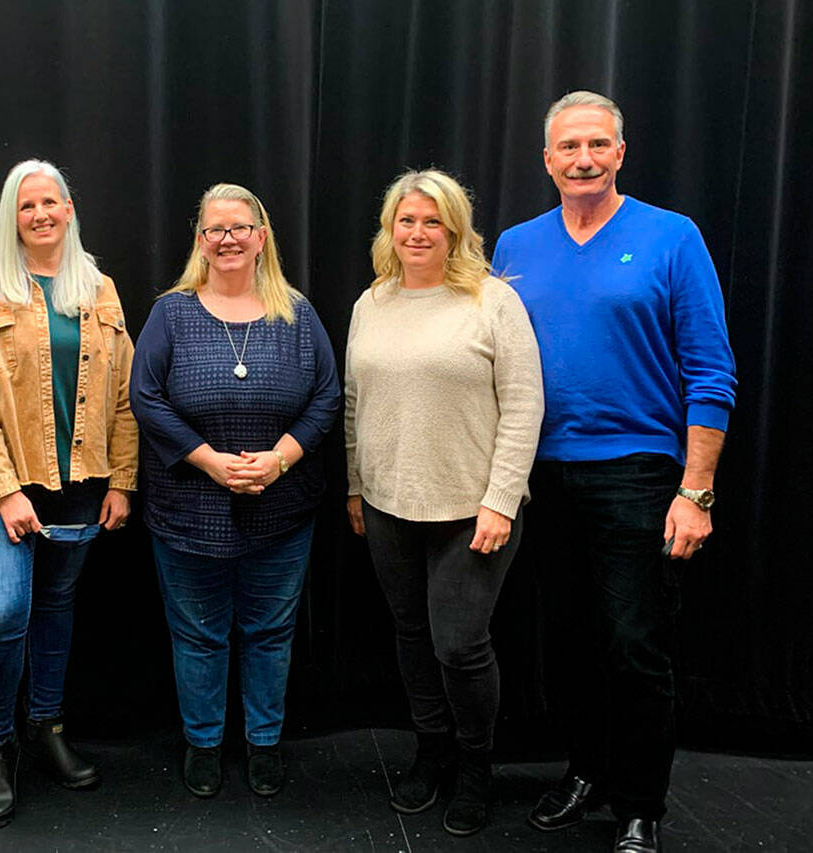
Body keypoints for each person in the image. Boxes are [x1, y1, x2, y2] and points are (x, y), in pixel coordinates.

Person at [492, 91, 737, 853]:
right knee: (564, 640)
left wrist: (695, 491)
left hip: (637, 471)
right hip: (540, 473)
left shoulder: (671, 236)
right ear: (547, 160)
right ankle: (585, 769)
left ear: (621, 152)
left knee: (634, 643)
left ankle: (640, 804)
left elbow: (711, 369)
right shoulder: (515, 246)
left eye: (598, 144)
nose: (584, 159)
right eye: (568, 148)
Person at [344, 169, 544, 836]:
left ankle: (476, 763)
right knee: (410, 633)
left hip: (473, 509)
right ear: (390, 229)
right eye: (408, 220)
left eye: (433, 221)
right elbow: (354, 405)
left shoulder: (492, 301)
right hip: (387, 504)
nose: (419, 231)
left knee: (459, 643)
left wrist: (502, 499)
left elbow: (523, 406)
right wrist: (354, 485)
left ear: (455, 229)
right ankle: (430, 750)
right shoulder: (372, 302)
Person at [130, 183, 341, 799]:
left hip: (282, 506)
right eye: (214, 230)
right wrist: (209, 462)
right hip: (189, 509)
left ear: (260, 237)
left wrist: (279, 459)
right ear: (200, 241)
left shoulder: (297, 314)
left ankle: (264, 744)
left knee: (270, 633)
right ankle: (203, 743)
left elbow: (327, 396)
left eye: (238, 228)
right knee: (198, 634)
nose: (227, 239)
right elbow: (146, 397)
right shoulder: (172, 312)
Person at [0, 159, 137, 829]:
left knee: (57, 607)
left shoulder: (101, 290)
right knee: (3, 613)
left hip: (81, 486)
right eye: (26, 205)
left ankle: (46, 725)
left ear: (69, 208)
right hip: (4, 487)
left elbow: (123, 395)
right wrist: (4, 491)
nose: (40, 214)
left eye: (50, 202)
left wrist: (122, 478)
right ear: (12, 216)